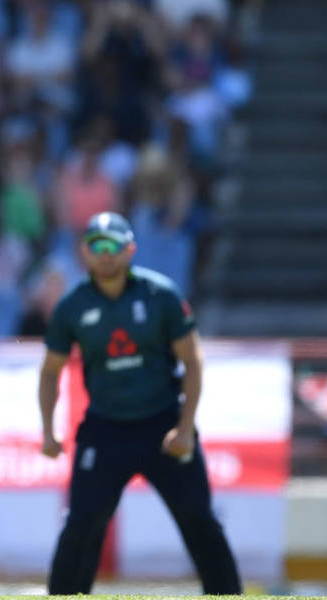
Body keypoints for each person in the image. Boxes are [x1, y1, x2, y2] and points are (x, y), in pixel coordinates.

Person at [37, 212, 242, 595]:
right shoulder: (72, 307)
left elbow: (192, 361)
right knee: (82, 522)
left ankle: (226, 595)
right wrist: (48, 432)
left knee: (198, 517)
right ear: (84, 252)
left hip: (162, 426)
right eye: (97, 246)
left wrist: (184, 428)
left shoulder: (161, 295)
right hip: (105, 427)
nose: (105, 254)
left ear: (130, 249)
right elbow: (50, 372)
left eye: (113, 245)